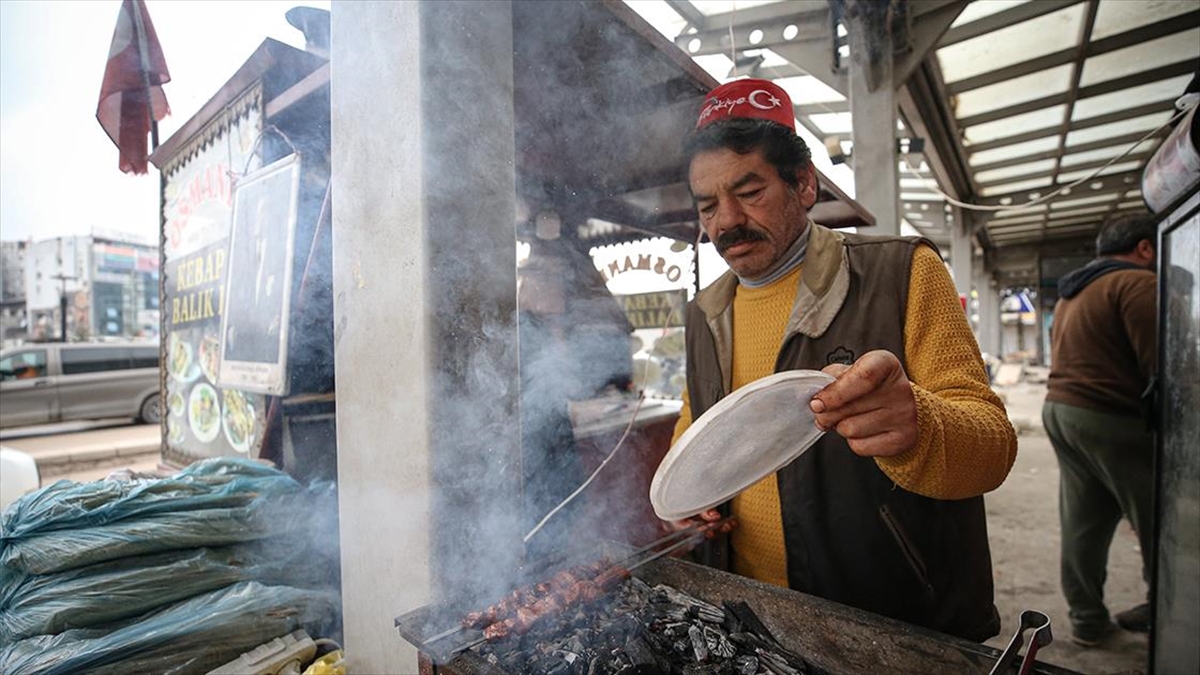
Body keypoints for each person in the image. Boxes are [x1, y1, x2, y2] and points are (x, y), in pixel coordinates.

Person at [666, 79, 1017, 641]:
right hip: (747, 617)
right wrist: (685, 496)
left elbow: (994, 450)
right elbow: (696, 422)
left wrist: (918, 425)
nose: (726, 221)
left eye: (749, 192)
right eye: (707, 206)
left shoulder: (899, 272)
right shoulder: (704, 313)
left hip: (886, 617)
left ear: (804, 184)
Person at [1043, 214, 1157, 646]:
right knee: (1161, 519)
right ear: (1144, 248)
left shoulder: (1075, 290)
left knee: (1083, 522)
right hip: (1111, 418)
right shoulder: (1137, 283)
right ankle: (1168, 609)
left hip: (1062, 411)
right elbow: (1162, 366)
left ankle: (1088, 621)